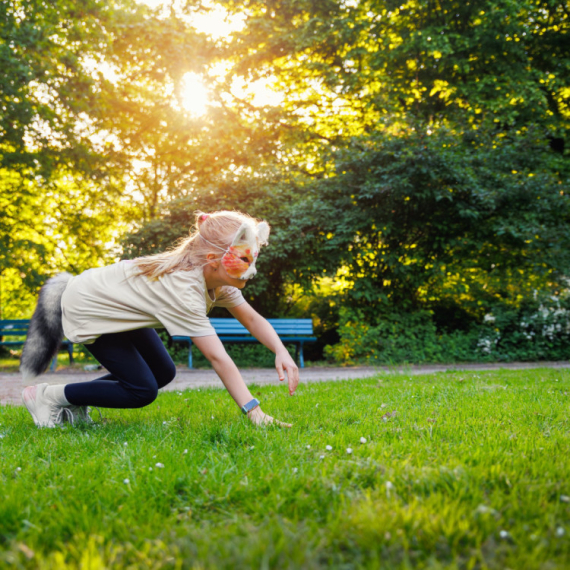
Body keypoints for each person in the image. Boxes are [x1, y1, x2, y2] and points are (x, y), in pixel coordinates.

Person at [20, 210, 299, 428]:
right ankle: (46, 397)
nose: (253, 270)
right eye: (245, 260)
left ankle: (73, 401)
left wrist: (280, 350)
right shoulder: (185, 289)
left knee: (163, 373)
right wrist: (254, 411)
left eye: (254, 259)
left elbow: (251, 319)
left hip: (121, 307)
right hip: (91, 306)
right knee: (141, 390)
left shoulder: (219, 281)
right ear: (213, 258)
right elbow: (218, 358)